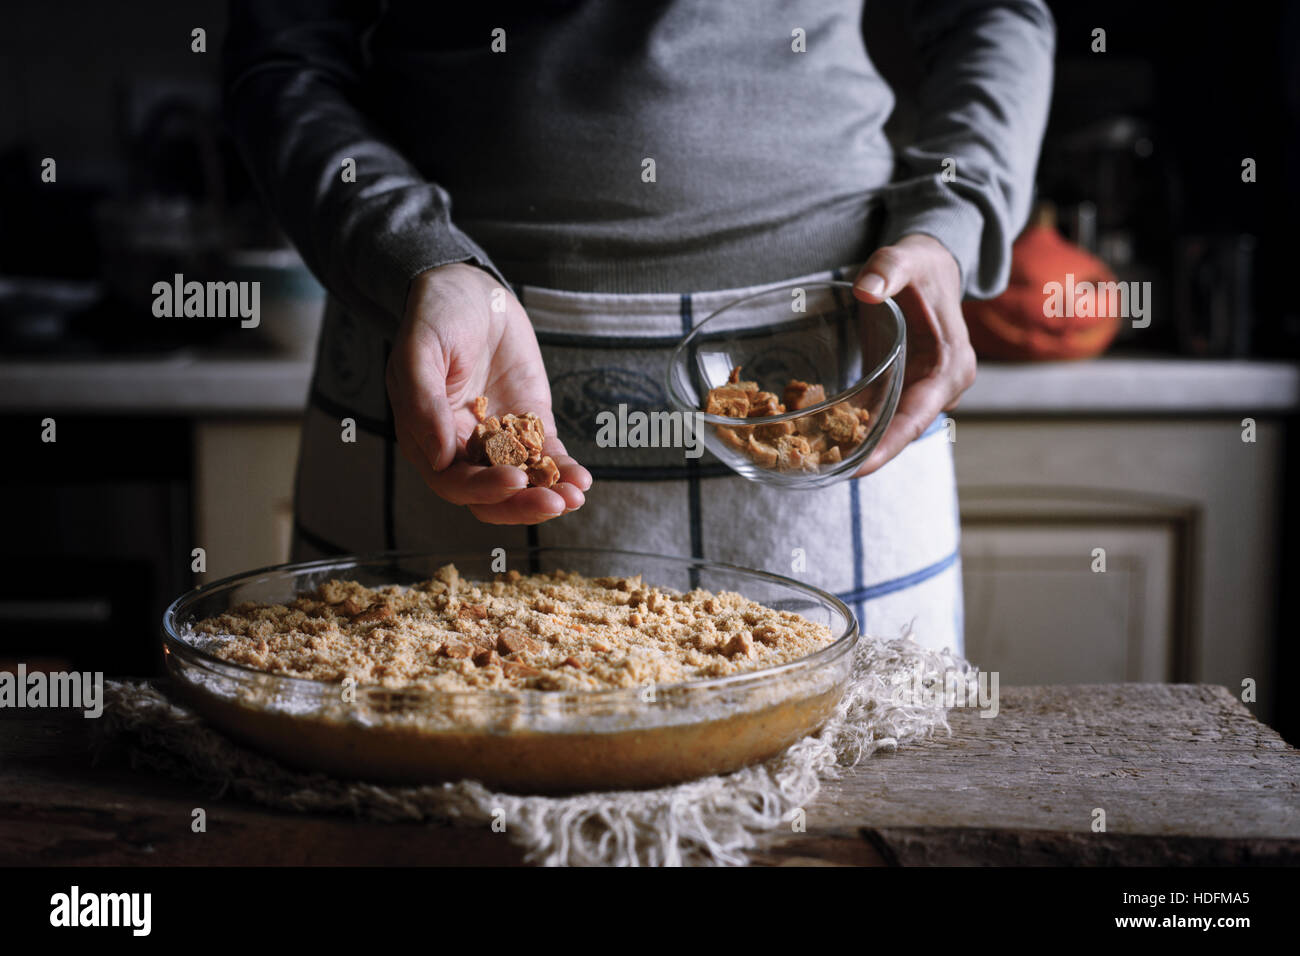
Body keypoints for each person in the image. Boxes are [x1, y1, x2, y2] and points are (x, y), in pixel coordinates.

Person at [223, 1, 1054, 653]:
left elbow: (996, 11)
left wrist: (954, 216)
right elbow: (285, 55)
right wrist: (412, 255)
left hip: (838, 371)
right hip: (441, 358)